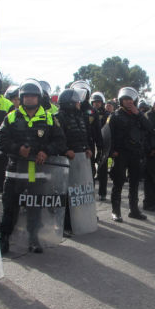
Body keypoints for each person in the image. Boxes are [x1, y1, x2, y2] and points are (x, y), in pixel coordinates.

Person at [0, 79, 66, 253]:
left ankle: (34, 238)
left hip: (39, 172)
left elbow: (60, 141)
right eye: (26, 96)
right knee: (9, 207)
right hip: (15, 172)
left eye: (33, 96)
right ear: (21, 98)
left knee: (35, 208)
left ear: (38, 98)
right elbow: (1, 139)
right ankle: (4, 238)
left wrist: (46, 151)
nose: (29, 99)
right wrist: (17, 149)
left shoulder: (49, 118)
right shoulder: (11, 116)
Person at [108, 87, 153, 222]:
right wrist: (112, 152)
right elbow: (107, 136)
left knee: (134, 183)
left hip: (135, 153)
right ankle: (116, 211)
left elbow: (149, 128)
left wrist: (138, 113)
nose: (128, 102)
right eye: (125, 99)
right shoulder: (114, 116)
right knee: (118, 182)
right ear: (121, 101)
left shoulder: (138, 115)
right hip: (120, 154)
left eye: (130, 99)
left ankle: (134, 210)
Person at [55, 89, 91, 236]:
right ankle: (64, 224)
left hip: (80, 159)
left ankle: (79, 220)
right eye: (76, 101)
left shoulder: (79, 116)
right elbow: (57, 138)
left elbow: (84, 135)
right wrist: (65, 150)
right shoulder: (58, 117)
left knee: (78, 191)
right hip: (66, 159)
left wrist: (87, 147)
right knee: (65, 193)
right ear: (69, 103)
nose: (78, 103)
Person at [90, 91, 109, 201]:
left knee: (102, 170)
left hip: (103, 145)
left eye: (99, 102)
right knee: (91, 170)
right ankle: (90, 192)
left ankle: (102, 193)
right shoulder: (89, 113)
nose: (97, 104)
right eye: (95, 102)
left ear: (102, 103)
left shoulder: (107, 115)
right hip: (92, 144)